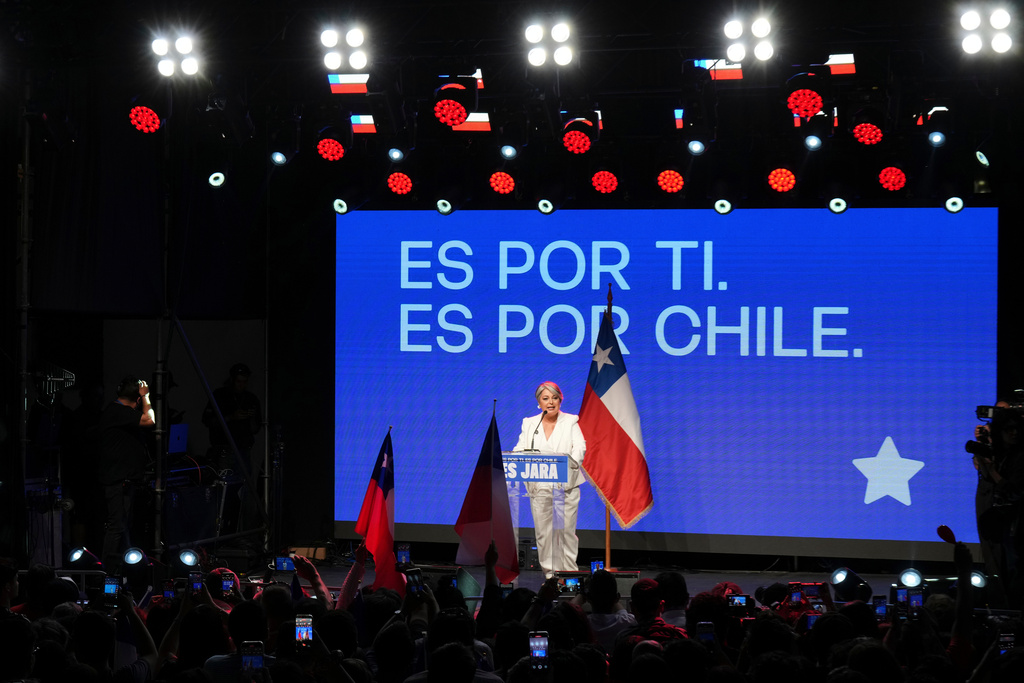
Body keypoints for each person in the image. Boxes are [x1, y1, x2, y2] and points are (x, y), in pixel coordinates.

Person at [513, 381, 586, 578]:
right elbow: (520, 449)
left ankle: (570, 575)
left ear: (560, 400)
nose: (550, 402)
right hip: (540, 488)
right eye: (546, 398)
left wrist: (570, 463)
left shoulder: (571, 421)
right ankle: (551, 576)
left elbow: (580, 448)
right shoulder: (530, 423)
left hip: (566, 486)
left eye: (554, 398)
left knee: (565, 533)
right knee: (544, 534)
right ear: (539, 402)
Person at [99, 375, 155, 572]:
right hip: (117, 481)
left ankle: (121, 568)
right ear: (137, 399)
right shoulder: (118, 411)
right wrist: (147, 397)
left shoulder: (118, 412)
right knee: (117, 526)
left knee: (123, 526)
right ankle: (106, 573)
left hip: (124, 480)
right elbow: (149, 420)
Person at [202, 362, 261, 470]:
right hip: (223, 450)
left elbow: (255, 429)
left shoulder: (251, 399)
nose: (241, 385)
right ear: (232, 380)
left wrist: (251, 417)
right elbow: (207, 420)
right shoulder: (220, 395)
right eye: (238, 381)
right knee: (225, 482)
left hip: (244, 450)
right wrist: (231, 417)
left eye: (245, 382)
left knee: (244, 483)